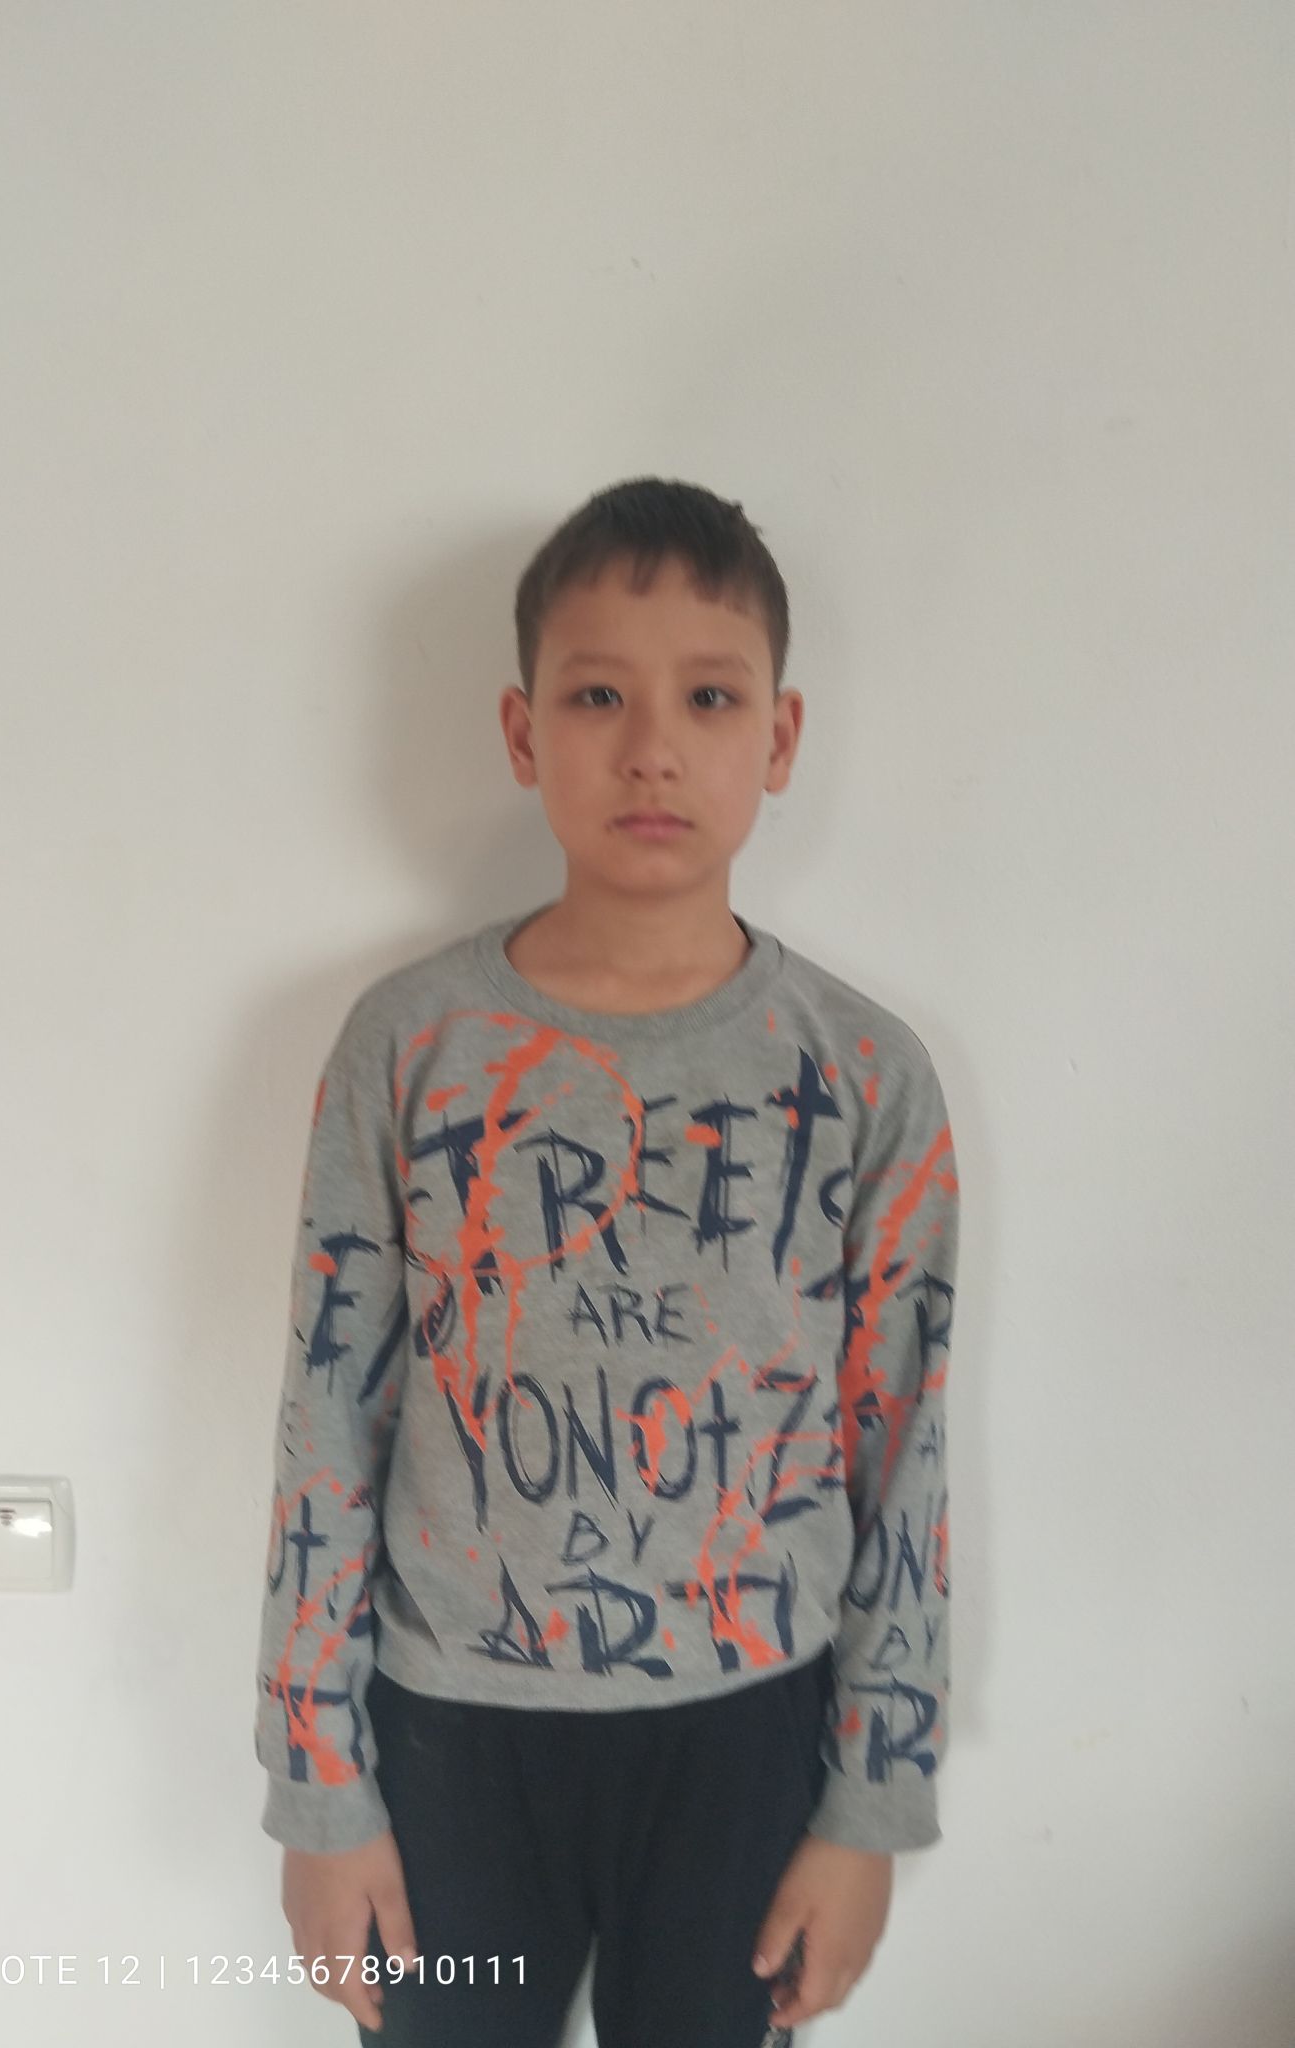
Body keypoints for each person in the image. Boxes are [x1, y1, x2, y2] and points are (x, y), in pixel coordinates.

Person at [253, 476, 960, 2048]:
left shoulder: (863, 1074)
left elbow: (899, 1447)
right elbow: (329, 1418)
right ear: (522, 734)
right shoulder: (409, 1048)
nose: (651, 747)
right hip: (451, 1734)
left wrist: (870, 1805)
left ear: (777, 736)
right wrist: (317, 1788)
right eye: (595, 697)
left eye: (708, 697)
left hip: (748, 1736)